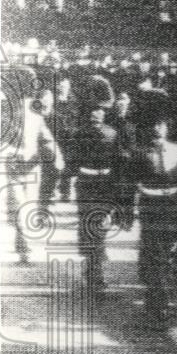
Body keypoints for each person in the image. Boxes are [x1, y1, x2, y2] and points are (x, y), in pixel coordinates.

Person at [127, 104, 177, 328]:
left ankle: (158, 298)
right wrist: (125, 209)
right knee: (155, 257)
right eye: (154, 125)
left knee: (166, 256)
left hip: (173, 209)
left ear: (166, 127)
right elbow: (128, 183)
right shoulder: (139, 152)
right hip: (151, 210)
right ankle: (157, 304)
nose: (157, 129)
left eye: (161, 125)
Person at [4, 66, 64, 265]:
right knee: (18, 204)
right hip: (12, 166)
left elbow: (43, 133)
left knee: (25, 206)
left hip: (29, 166)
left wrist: (55, 154)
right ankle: (23, 246)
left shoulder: (33, 108)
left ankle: (23, 245)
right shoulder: (4, 107)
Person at [69, 107, 120, 294]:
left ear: (104, 113)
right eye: (93, 110)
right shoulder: (79, 133)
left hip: (104, 185)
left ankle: (94, 269)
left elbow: (117, 162)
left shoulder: (112, 133)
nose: (96, 113)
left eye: (99, 110)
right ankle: (93, 269)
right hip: (86, 184)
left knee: (98, 227)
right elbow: (71, 159)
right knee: (90, 227)